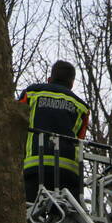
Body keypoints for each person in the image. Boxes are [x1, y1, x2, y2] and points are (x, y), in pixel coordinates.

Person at [18, 60, 90, 204]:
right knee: (65, 213)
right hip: (68, 172)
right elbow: (80, 138)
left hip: (35, 167)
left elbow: (15, 122)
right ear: (72, 84)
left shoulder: (31, 93)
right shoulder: (82, 107)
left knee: (28, 211)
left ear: (49, 79)